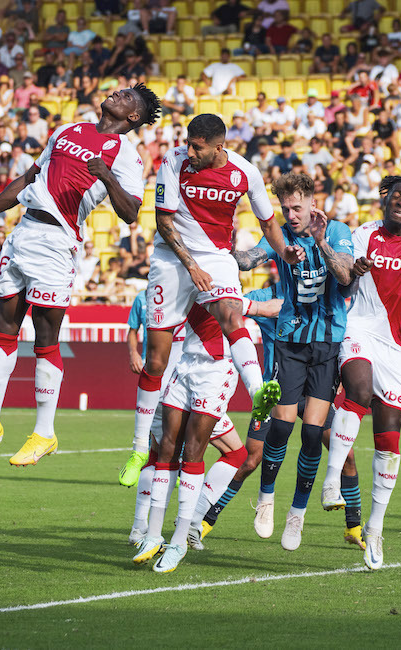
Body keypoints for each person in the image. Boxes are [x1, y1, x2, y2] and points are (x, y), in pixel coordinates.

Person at [0, 86, 162, 467]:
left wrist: (107, 177)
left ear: (133, 117)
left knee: (45, 339)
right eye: (119, 90)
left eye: (127, 96)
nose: (117, 93)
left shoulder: (126, 153)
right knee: (3, 329)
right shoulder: (67, 130)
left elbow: (130, 213)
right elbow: (30, 177)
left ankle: (44, 433)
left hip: (57, 243)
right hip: (22, 233)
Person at [122, 113, 302, 485]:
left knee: (232, 314)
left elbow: (268, 223)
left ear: (219, 147)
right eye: (188, 143)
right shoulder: (173, 161)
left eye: (197, 147)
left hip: (217, 258)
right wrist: (191, 267)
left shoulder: (245, 172)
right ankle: (139, 447)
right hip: (172, 259)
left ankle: (258, 392)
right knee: (155, 360)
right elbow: (164, 222)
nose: (189, 151)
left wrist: (284, 252)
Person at [216, 172, 355, 551]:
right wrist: (221, 252)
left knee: (312, 434)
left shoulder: (338, 231)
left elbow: (345, 275)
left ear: (312, 203)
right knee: (281, 426)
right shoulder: (279, 237)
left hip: (327, 342)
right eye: (285, 208)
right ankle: (266, 499)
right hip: (291, 342)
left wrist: (321, 241)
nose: (291, 215)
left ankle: (297, 514)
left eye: (296, 208)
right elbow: (249, 261)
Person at [323, 176, 401, 570]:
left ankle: (375, 529)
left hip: (395, 346)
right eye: (397, 195)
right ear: (385, 199)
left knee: (389, 441)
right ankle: (332, 479)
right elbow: (343, 274)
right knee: (358, 392)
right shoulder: (363, 235)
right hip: (359, 328)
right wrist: (355, 268)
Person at [131, 299, 276, 573]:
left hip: (216, 371)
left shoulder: (223, 284)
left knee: (192, 453)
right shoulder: (184, 283)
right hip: (185, 364)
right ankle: (153, 534)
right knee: (166, 450)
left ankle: (179, 541)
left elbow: (248, 308)